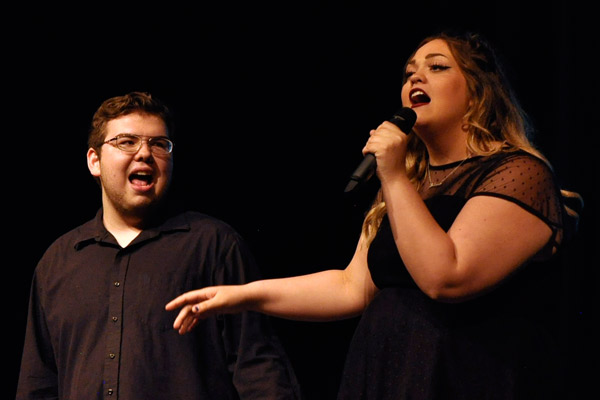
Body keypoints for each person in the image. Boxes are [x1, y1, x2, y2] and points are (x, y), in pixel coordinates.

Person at [165, 31, 583, 399]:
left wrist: (394, 176)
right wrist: (243, 295)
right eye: (408, 73)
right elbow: (352, 287)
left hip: (465, 377)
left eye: (436, 67)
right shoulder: (407, 184)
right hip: (386, 373)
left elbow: (447, 277)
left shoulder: (517, 173)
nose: (415, 78)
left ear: (478, 92)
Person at [16, 92, 302, 399]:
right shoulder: (58, 262)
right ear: (94, 161)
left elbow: (260, 372)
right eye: (126, 141)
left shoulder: (213, 245)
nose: (144, 153)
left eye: (159, 144)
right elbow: (38, 384)